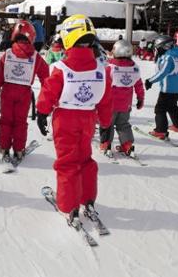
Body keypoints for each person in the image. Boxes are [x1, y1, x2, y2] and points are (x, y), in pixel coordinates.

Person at [36, 14, 113, 223]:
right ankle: (87, 198)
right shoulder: (102, 70)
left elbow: (48, 92)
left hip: (65, 119)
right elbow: (106, 100)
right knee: (84, 158)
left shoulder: (62, 68)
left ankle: (68, 205)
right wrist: (106, 122)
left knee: (68, 161)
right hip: (88, 117)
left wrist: (42, 112)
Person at [0, 20, 49, 163]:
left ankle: (4, 147)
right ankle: (18, 149)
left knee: (5, 120)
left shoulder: (8, 53)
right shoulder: (35, 56)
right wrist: (46, 88)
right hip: (24, 93)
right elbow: (45, 74)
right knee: (20, 122)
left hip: (7, 91)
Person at [99, 40, 145, 156]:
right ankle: (127, 144)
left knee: (107, 123)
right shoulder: (134, 68)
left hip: (110, 104)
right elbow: (139, 84)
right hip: (125, 105)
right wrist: (140, 98)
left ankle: (106, 143)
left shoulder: (110, 67)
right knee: (123, 124)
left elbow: (102, 84)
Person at [145, 35, 178, 140]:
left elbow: (163, 73)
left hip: (168, 89)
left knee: (160, 109)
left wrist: (150, 81)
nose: (157, 50)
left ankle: (160, 131)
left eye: (158, 48)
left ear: (164, 47)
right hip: (177, 89)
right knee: (172, 107)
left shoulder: (168, 57)